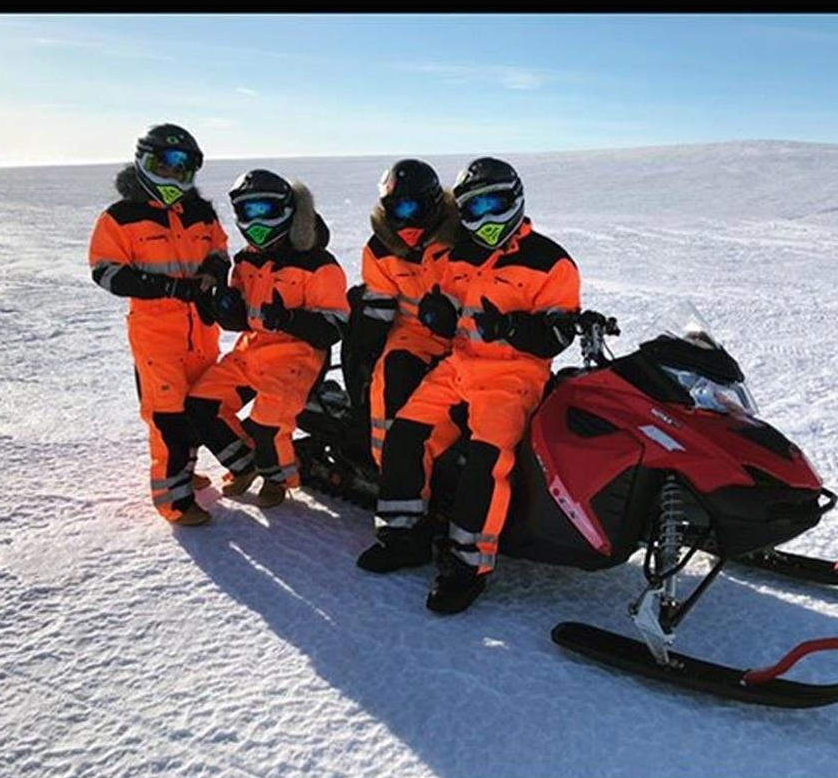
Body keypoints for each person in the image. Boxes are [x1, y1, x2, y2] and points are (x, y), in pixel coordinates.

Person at [357, 158, 581, 613]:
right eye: (473, 207)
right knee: (404, 433)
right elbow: (441, 309)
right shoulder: (457, 255)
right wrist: (437, 315)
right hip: (458, 366)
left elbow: (559, 334)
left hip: (513, 377)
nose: (485, 217)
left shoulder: (550, 261)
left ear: (515, 199)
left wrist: (513, 328)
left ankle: (467, 565)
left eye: (494, 203)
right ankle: (404, 535)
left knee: (488, 460)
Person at [88, 123, 229, 526]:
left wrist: (213, 271)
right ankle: (174, 501)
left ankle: (184, 472)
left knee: (194, 408)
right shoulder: (120, 217)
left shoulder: (200, 212)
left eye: (181, 166)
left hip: (201, 331)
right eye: (162, 165)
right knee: (166, 415)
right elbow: (106, 271)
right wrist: (165, 286)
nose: (171, 175)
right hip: (157, 337)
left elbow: (220, 248)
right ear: (144, 162)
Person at [185, 169, 349, 507]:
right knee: (201, 406)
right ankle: (245, 465)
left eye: (265, 209)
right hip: (252, 351)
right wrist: (221, 306)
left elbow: (333, 327)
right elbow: (240, 315)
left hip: (297, 359)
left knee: (267, 427)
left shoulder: (318, 264)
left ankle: (278, 477)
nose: (256, 220)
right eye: (248, 211)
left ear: (288, 211)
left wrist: (289, 319)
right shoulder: (247, 259)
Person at [344, 159, 459, 468]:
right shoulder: (380, 248)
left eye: (414, 209)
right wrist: (364, 352)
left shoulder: (461, 240)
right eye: (397, 210)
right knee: (391, 375)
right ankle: (393, 469)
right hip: (411, 334)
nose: (406, 222)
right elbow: (379, 305)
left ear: (434, 206)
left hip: (466, 334)